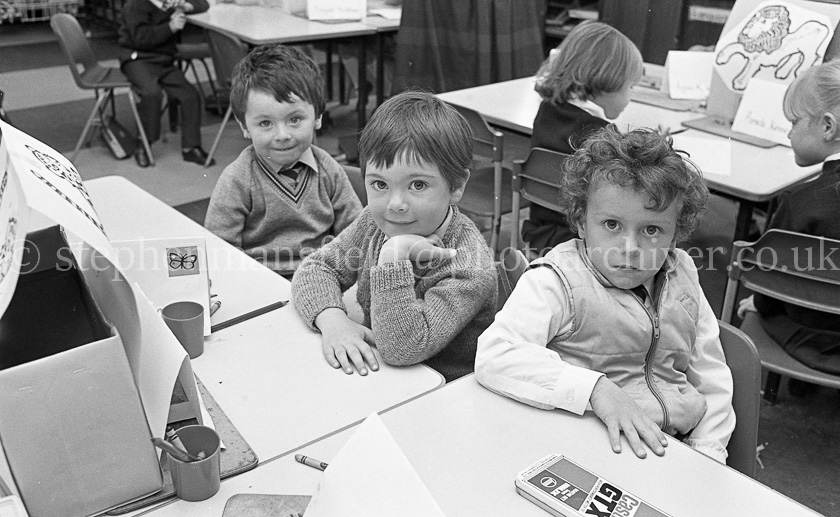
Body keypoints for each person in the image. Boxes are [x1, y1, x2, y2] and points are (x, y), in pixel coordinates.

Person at [476, 127, 735, 463]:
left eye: (651, 230)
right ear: (582, 222)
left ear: (676, 235)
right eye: (612, 225)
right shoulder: (557, 280)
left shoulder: (682, 273)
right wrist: (595, 389)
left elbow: (711, 375)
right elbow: (496, 354)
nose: (630, 249)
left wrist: (708, 453)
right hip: (588, 449)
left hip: (673, 452)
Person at [291, 91, 497, 382]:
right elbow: (317, 268)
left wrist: (392, 258)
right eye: (379, 184)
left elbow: (402, 348)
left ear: (456, 186)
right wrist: (333, 321)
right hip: (381, 375)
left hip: (441, 389)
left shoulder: (469, 268)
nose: (395, 203)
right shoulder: (375, 223)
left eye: (417, 185)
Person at [204, 44, 362, 277]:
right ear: (245, 127)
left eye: (295, 119)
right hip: (260, 281)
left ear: (317, 116)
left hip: (324, 276)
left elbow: (356, 234)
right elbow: (218, 249)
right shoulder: (238, 178)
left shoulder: (329, 169)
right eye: (265, 123)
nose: (282, 135)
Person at [738, 61, 840, 388]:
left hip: (814, 340)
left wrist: (756, 302)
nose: (788, 132)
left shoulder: (799, 201)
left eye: (795, 122)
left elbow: (770, 289)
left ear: (828, 126)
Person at [522, 21, 643, 256]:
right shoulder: (603, 137)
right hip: (583, 244)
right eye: (631, 87)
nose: (631, 95)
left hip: (540, 233)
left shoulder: (548, 109)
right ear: (606, 84)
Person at [118, 0, 214, 167]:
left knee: (190, 95)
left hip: (164, 60)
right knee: (151, 93)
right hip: (137, 59)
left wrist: (184, 6)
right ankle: (144, 144)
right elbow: (141, 39)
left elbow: (202, 4)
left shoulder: (168, 3)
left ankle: (191, 147)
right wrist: (170, 27)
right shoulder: (135, 5)